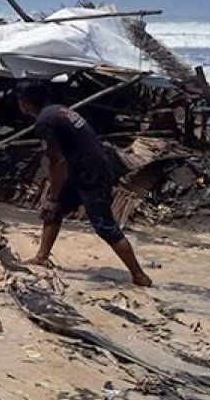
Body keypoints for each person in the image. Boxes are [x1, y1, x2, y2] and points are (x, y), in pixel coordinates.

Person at [16, 81, 152, 287]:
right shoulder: (58, 111)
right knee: (54, 210)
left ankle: (139, 275)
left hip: (91, 173)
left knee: (104, 225)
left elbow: (57, 162)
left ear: (24, 103)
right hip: (83, 168)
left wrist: (52, 194)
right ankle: (42, 256)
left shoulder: (44, 122)